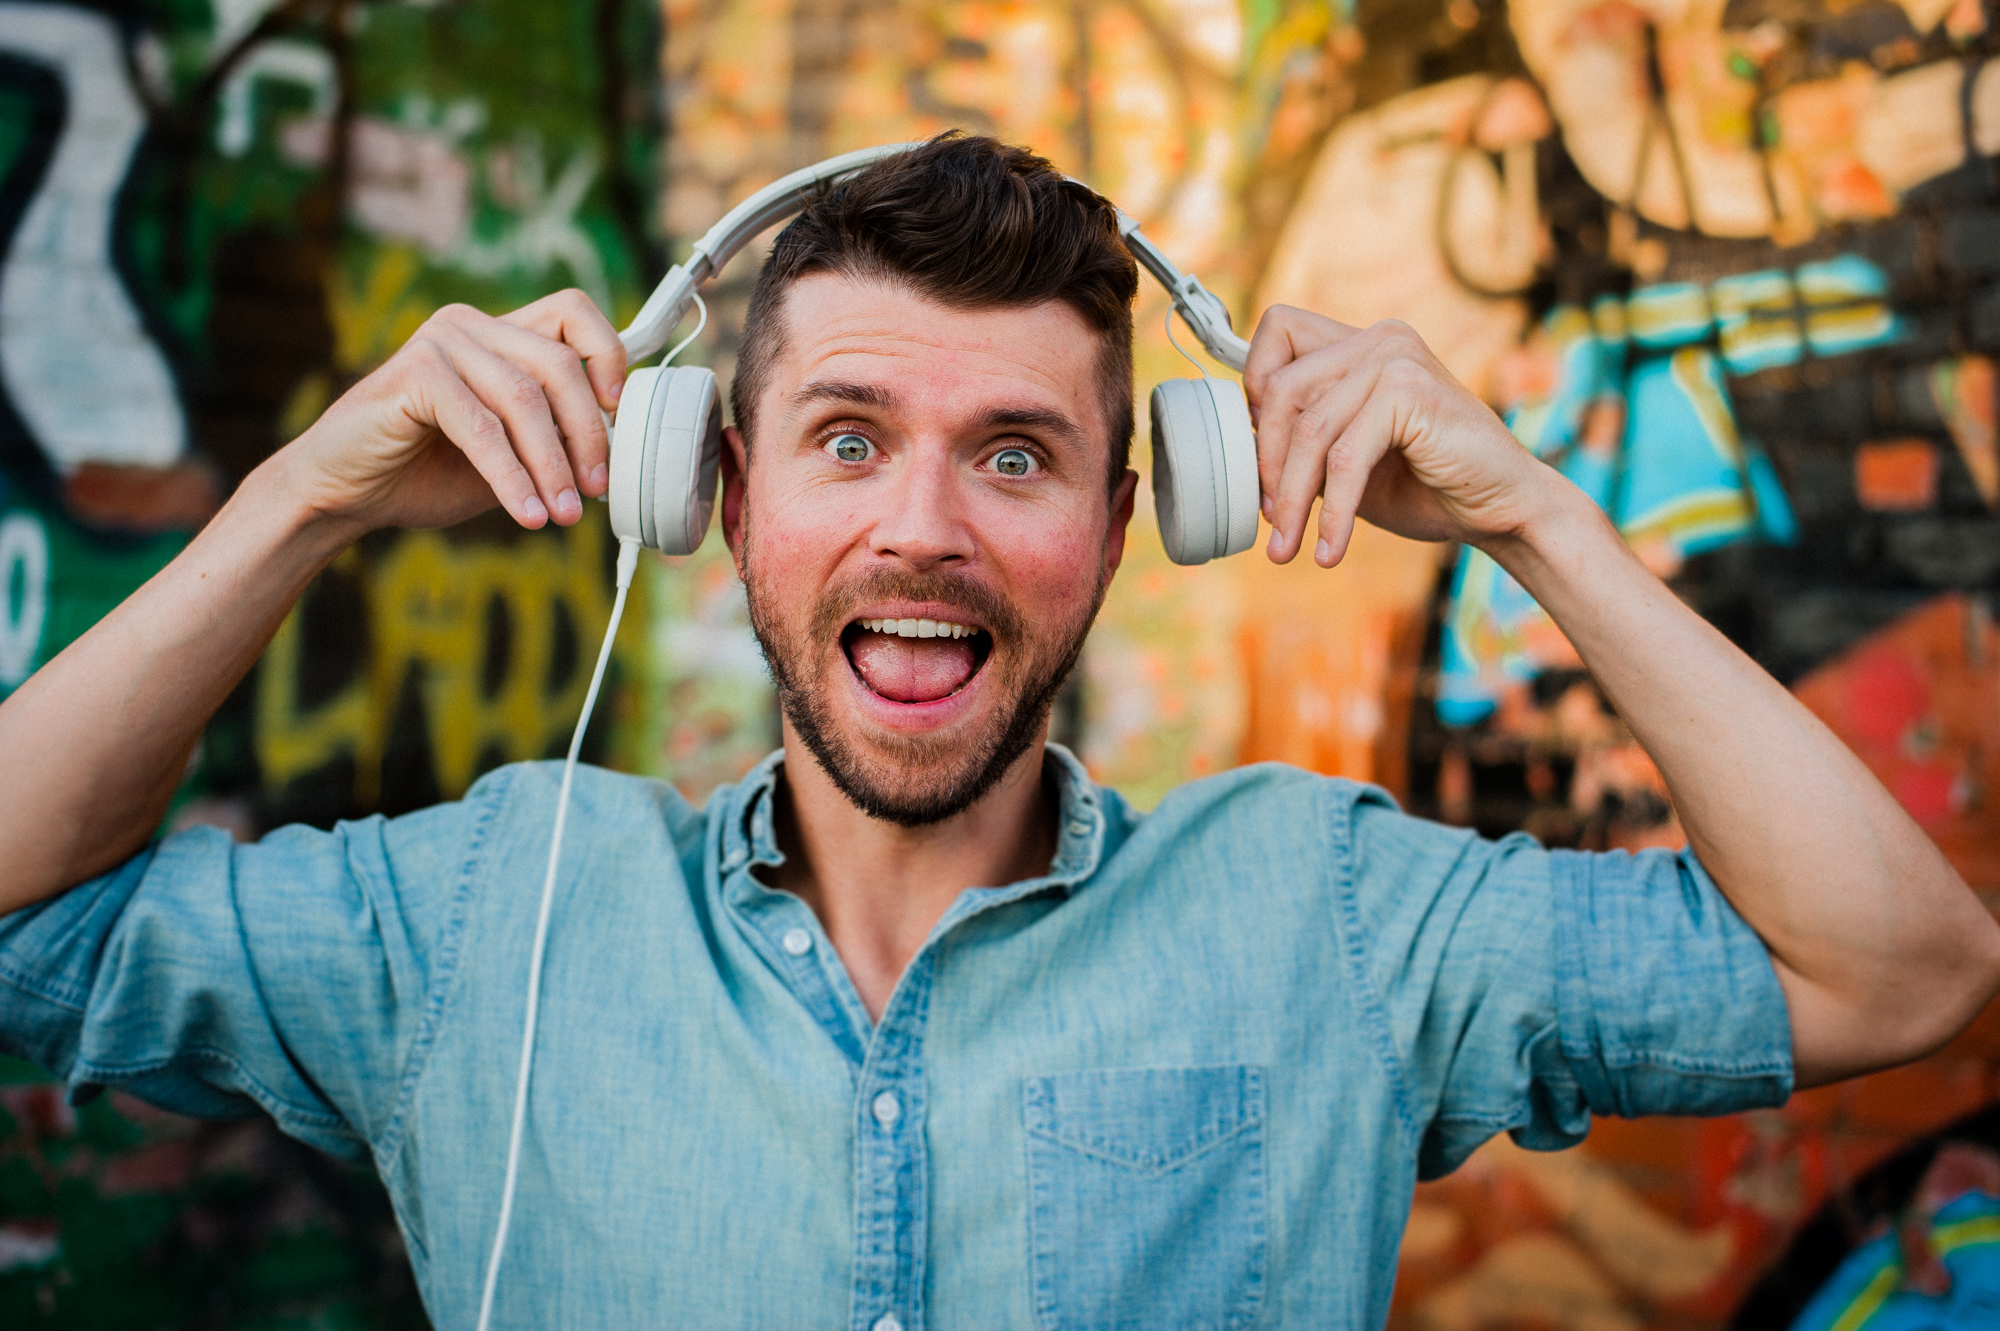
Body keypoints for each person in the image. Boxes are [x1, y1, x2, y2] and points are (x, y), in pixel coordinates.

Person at [0, 134, 1992, 1330]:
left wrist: (1536, 515)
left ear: (1136, 518)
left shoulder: (1345, 920)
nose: (925, 526)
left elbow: (1901, 968)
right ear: (714, 488)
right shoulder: (474, 928)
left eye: (1017, 454)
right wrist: (302, 500)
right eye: (848, 439)